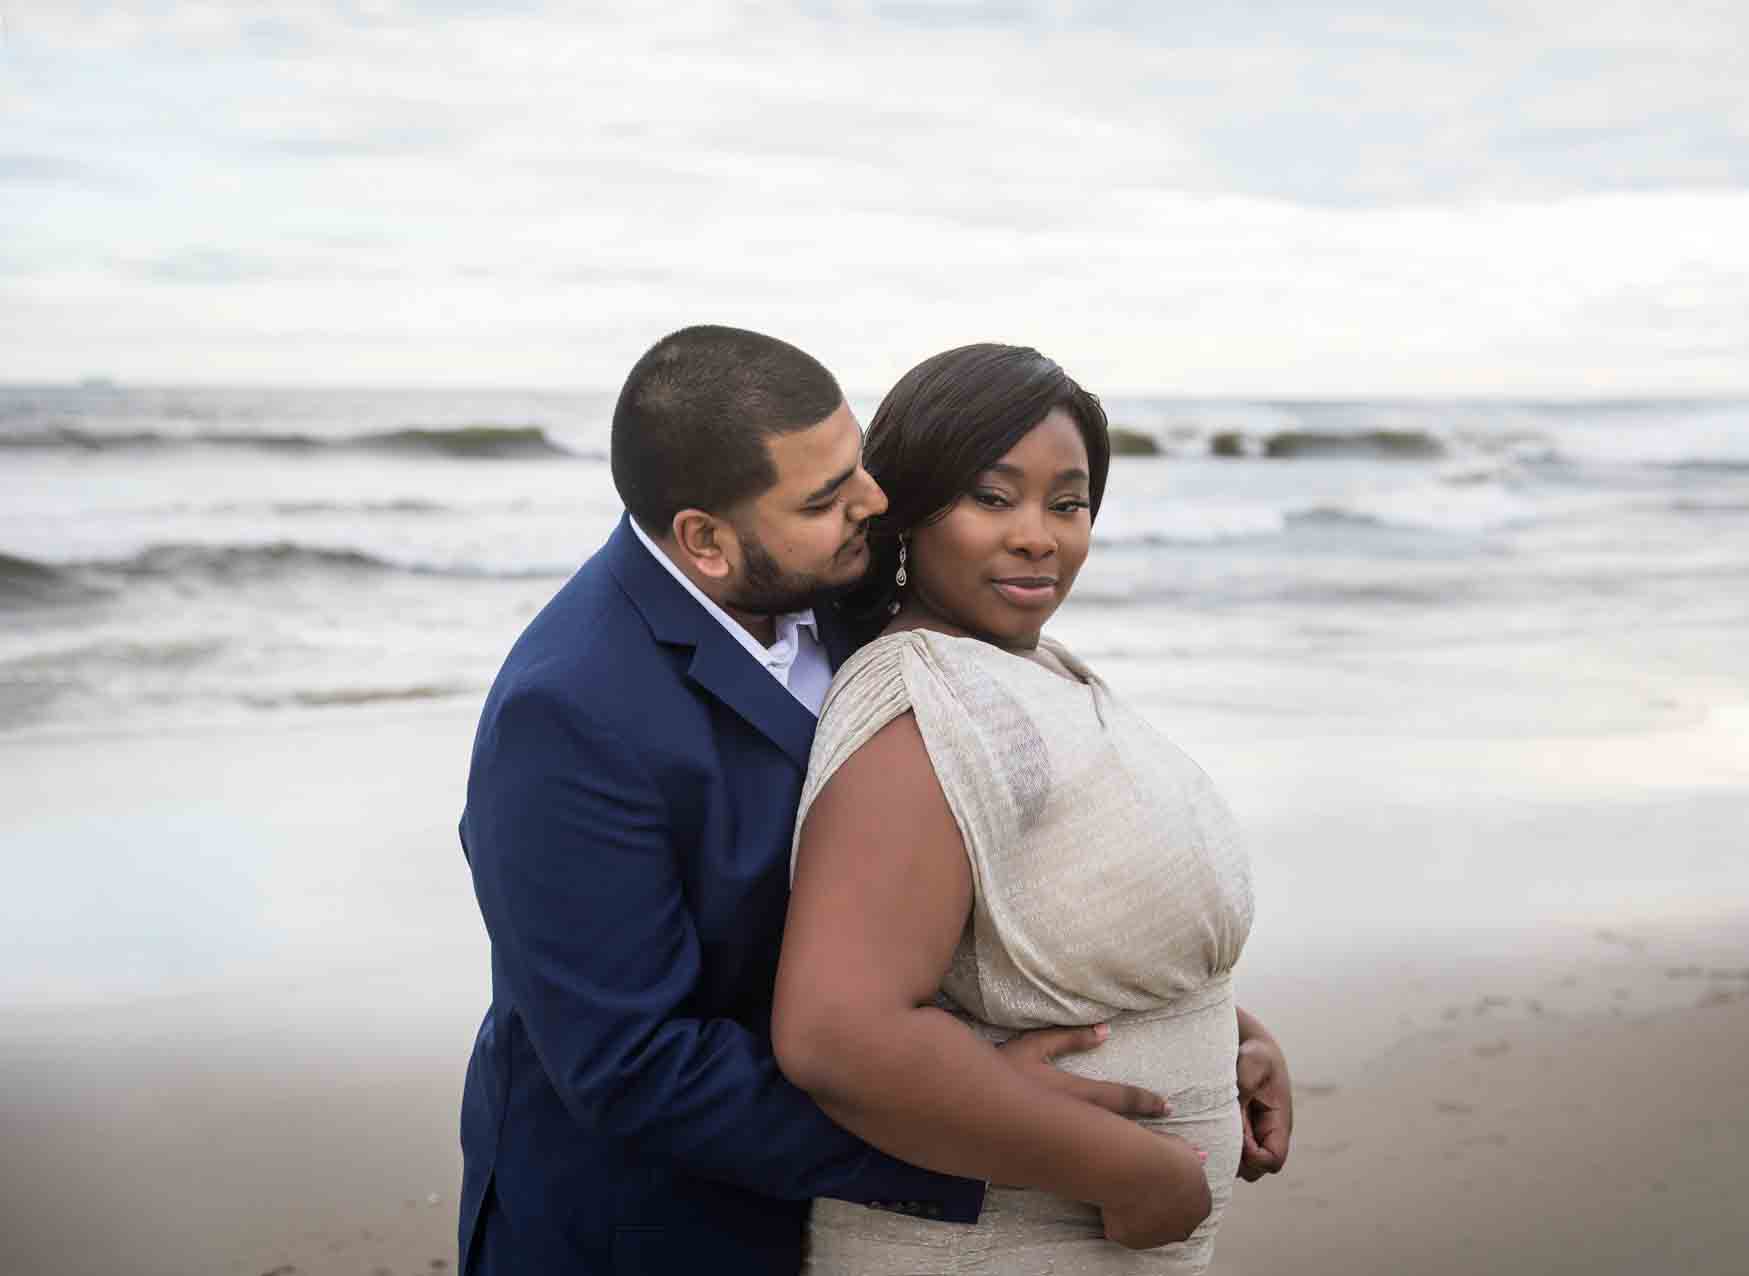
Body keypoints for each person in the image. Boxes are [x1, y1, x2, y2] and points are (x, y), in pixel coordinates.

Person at [455, 327, 1199, 1275]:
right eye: (824, 498)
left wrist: (1189, 1028)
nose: (875, 503)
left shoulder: (852, 598)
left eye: (857, 464)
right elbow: (635, 1068)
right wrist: (974, 1125)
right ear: (706, 541)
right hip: (647, 1230)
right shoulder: (566, 715)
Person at [773, 343, 1289, 1273]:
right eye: (992, 497)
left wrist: (1224, 1032)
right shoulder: (916, 698)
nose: (1037, 536)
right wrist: (1135, 1171)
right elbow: (840, 1034)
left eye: (1068, 502)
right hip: (1011, 1239)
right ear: (911, 509)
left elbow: (1051, 920)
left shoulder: (1027, 668)